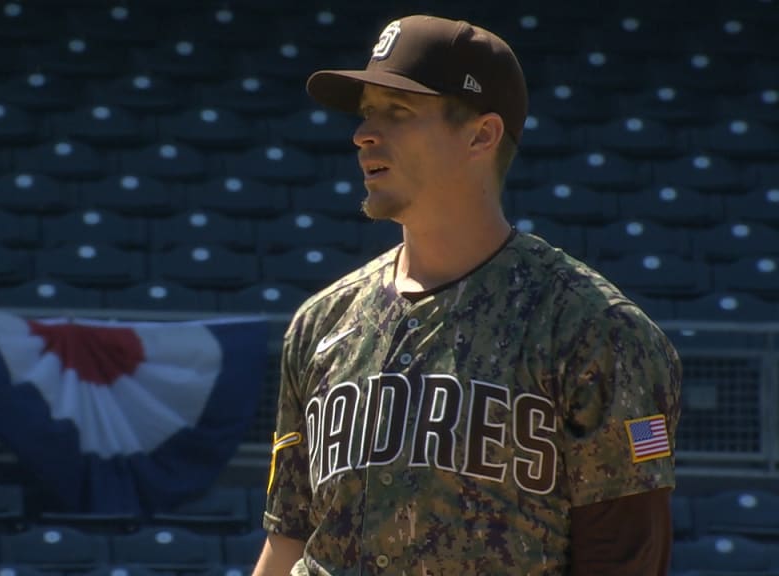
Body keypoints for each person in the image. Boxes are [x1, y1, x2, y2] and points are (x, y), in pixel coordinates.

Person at [254, 14, 681, 576]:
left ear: (481, 135)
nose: (363, 134)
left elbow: (625, 559)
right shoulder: (321, 322)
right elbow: (288, 540)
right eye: (366, 114)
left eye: (398, 112)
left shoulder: (595, 329)